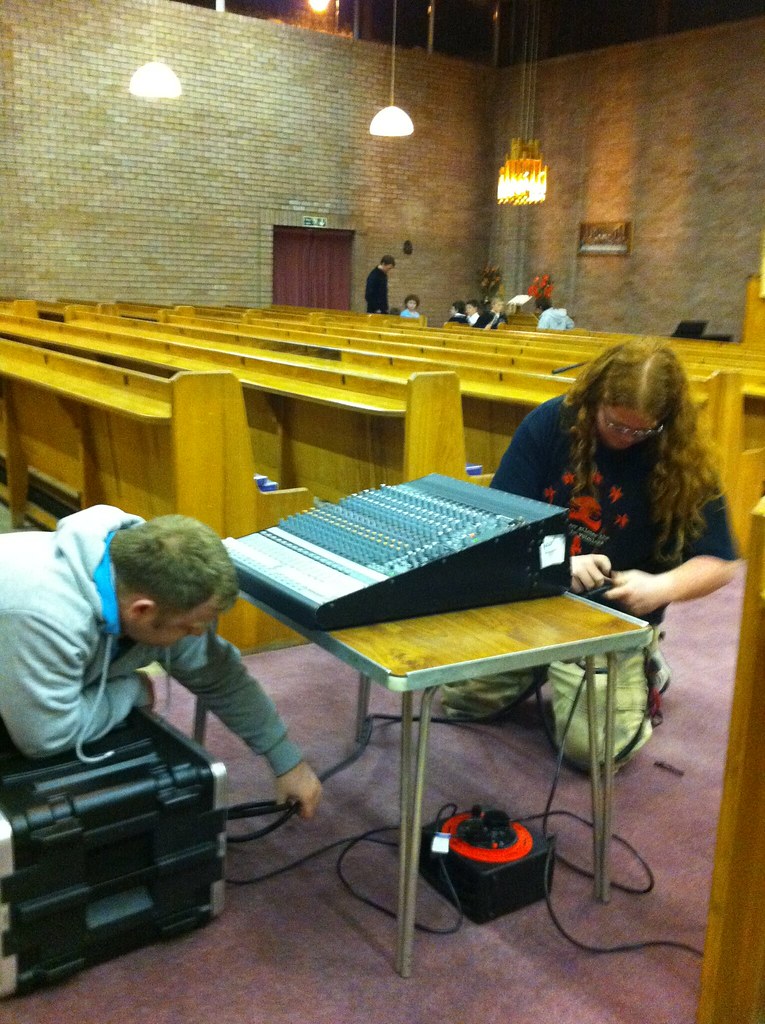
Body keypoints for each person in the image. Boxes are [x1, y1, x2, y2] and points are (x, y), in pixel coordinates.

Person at [441, 339, 738, 765]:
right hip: (537, 598)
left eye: (641, 431)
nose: (626, 438)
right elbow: (497, 526)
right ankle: (550, 665)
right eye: (615, 424)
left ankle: (644, 662)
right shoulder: (549, 424)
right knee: (462, 702)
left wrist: (661, 587)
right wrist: (558, 564)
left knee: (595, 752)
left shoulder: (681, 454)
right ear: (596, 398)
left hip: (612, 616)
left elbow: (720, 563)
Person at [0, 506, 323, 818]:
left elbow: (220, 677)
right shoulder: (43, 614)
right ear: (142, 610)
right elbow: (47, 737)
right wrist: (132, 689)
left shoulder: (153, 585)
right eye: (189, 627)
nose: (197, 635)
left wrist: (287, 761)